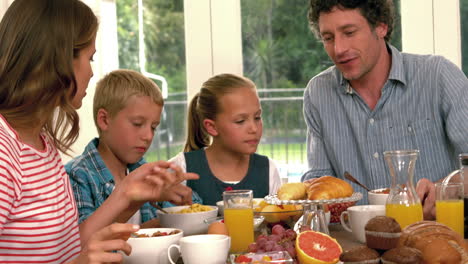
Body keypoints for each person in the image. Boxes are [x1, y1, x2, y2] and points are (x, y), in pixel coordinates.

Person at [0, 0, 194, 263]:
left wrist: (127, 194)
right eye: (89, 57)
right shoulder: (4, 151)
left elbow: (67, 247)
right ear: (58, 58)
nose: (92, 71)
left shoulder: (41, 143)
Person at [302, 0, 468, 220]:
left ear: (381, 26)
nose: (339, 49)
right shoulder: (318, 93)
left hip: (435, 235)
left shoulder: (438, 76)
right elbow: (319, 182)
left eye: (349, 32)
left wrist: (447, 188)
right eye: (328, 38)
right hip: (355, 245)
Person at [65, 69, 202, 232]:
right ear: (104, 120)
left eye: (154, 127)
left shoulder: (144, 171)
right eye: (137, 124)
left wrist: (182, 203)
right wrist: (144, 226)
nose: (148, 136)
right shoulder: (76, 176)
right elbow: (80, 246)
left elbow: (196, 209)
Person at [170, 73, 281, 206]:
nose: (254, 128)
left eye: (257, 117)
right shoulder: (180, 168)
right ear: (211, 127)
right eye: (240, 121)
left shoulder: (268, 169)